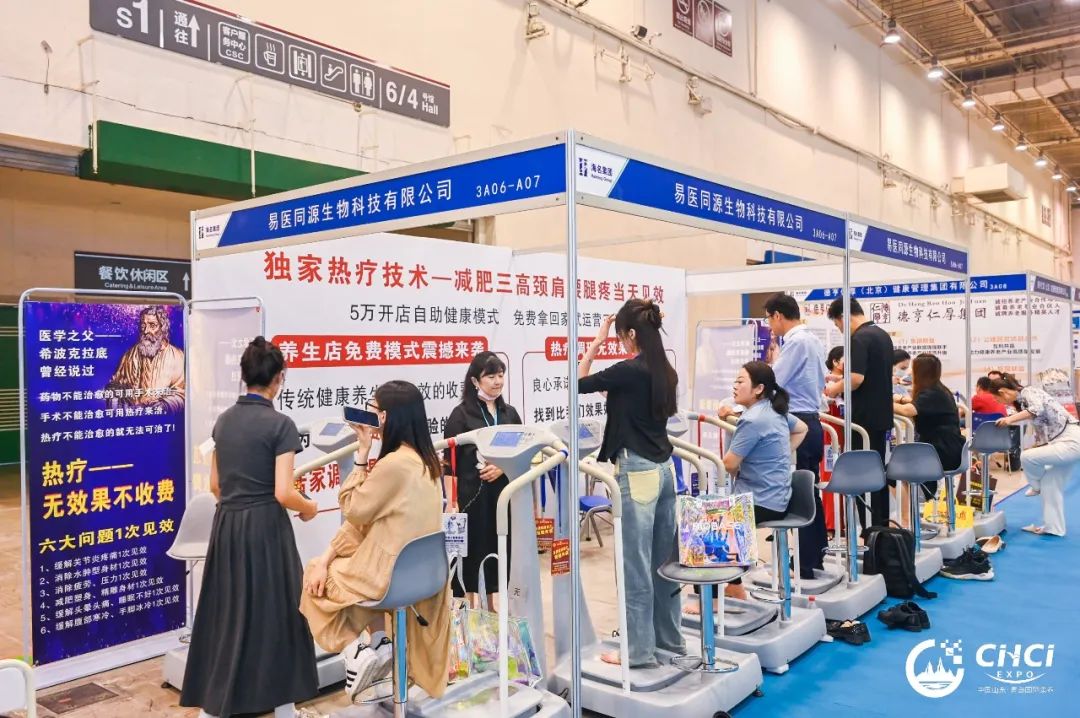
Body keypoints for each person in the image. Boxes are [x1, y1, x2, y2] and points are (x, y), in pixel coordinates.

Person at [180, 337, 319, 718]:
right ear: (279, 378)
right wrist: (309, 507)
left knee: (227, 613)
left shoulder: (223, 421)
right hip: (266, 529)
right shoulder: (281, 425)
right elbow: (283, 492)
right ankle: (285, 709)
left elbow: (215, 485)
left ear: (244, 376)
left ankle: (214, 707)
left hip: (228, 526)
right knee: (280, 615)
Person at [301, 381, 451, 701]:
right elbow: (363, 524)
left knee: (313, 577)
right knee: (334, 564)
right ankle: (381, 643)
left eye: (372, 410)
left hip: (390, 578)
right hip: (425, 576)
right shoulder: (427, 463)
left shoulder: (393, 465)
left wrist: (361, 454)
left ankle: (354, 651)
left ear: (385, 417)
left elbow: (353, 509)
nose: (368, 415)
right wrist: (329, 556)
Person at [578, 298, 684, 668]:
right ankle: (669, 641)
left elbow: (579, 382)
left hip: (637, 473)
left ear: (632, 334)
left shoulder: (629, 370)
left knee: (635, 565)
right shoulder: (665, 371)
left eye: (621, 335)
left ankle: (638, 651)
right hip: (665, 470)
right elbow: (620, 398)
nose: (620, 341)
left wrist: (596, 342)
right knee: (664, 563)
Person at [690, 361, 807, 607]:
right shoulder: (773, 410)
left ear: (758, 388)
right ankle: (735, 587)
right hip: (778, 497)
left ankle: (709, 602)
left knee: (704, 521)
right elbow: (802, 429)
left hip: (762, 501)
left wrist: (754, 463)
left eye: (740, 381)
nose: (735, 386)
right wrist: (778, 456)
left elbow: (729, 464)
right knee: (722, 513)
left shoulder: (753, 420)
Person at [443, 352, 522, 606]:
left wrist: (502, 467)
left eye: (501, 375)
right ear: (475, 381)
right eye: (491, 376)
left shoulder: (509, 414)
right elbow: (449, 465)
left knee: (496, 552)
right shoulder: (460, 415)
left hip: (501, 498)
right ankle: (468, 612)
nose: (498, 381)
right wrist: (452, 502)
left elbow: (521, 453)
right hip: (470, 498)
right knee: (469, 556)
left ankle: (489, 611)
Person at [762, 293, 828, 580]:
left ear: (778, 315)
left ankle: (803, 563)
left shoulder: (797, 342)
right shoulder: (812, 340)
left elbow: (772, 381)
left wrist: (738, 402)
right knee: (809, 491)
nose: (769, 325)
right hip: (812, 421)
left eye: (769, 319)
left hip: (797, 423)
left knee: (800, 494)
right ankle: (813, 556)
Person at [825, 297, 894, 527]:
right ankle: (881, 529)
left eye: (838, 325)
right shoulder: (881, 335)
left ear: (843, 317)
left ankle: (869, 531)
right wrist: (840, 379)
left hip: (863, 421)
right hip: (881, 417)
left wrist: (833, 388)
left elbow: (856, 379)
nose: (840, 330)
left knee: (862, 477)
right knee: (878, 474)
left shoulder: (858, 339)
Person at [990, 374, 1080, 537]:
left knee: (1026, 457)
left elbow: (1035, 410)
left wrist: (1009, 419)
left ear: (1002, 391)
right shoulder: (1023, 401)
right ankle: (1054, 528)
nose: (999, 402)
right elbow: (1041, 429)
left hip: (1070, 440)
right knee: (1050, 484)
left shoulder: (1029, 391)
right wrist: (1039, 446)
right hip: (1063, 442)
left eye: (997, 398)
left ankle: (1036, 486)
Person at [892, 354, 964, 500]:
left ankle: (908, 512)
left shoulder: (931, 393)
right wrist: (900, 399)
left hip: (940, 452)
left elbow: (908, 411)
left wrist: (882, 402)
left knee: (892, 472)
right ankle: (926, 503)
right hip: (948, 449)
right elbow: (918, 404)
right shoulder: (938, 390)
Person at [107, 305, 185, 413]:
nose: (146, 331)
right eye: (143, 325)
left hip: (163, 420)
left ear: (163, 328)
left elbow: (183, 393)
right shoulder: (130, 355)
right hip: (135, 418)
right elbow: (116, 384)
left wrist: (165, 405)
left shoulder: (177, 357)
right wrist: (116, 397)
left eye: (152, 325)